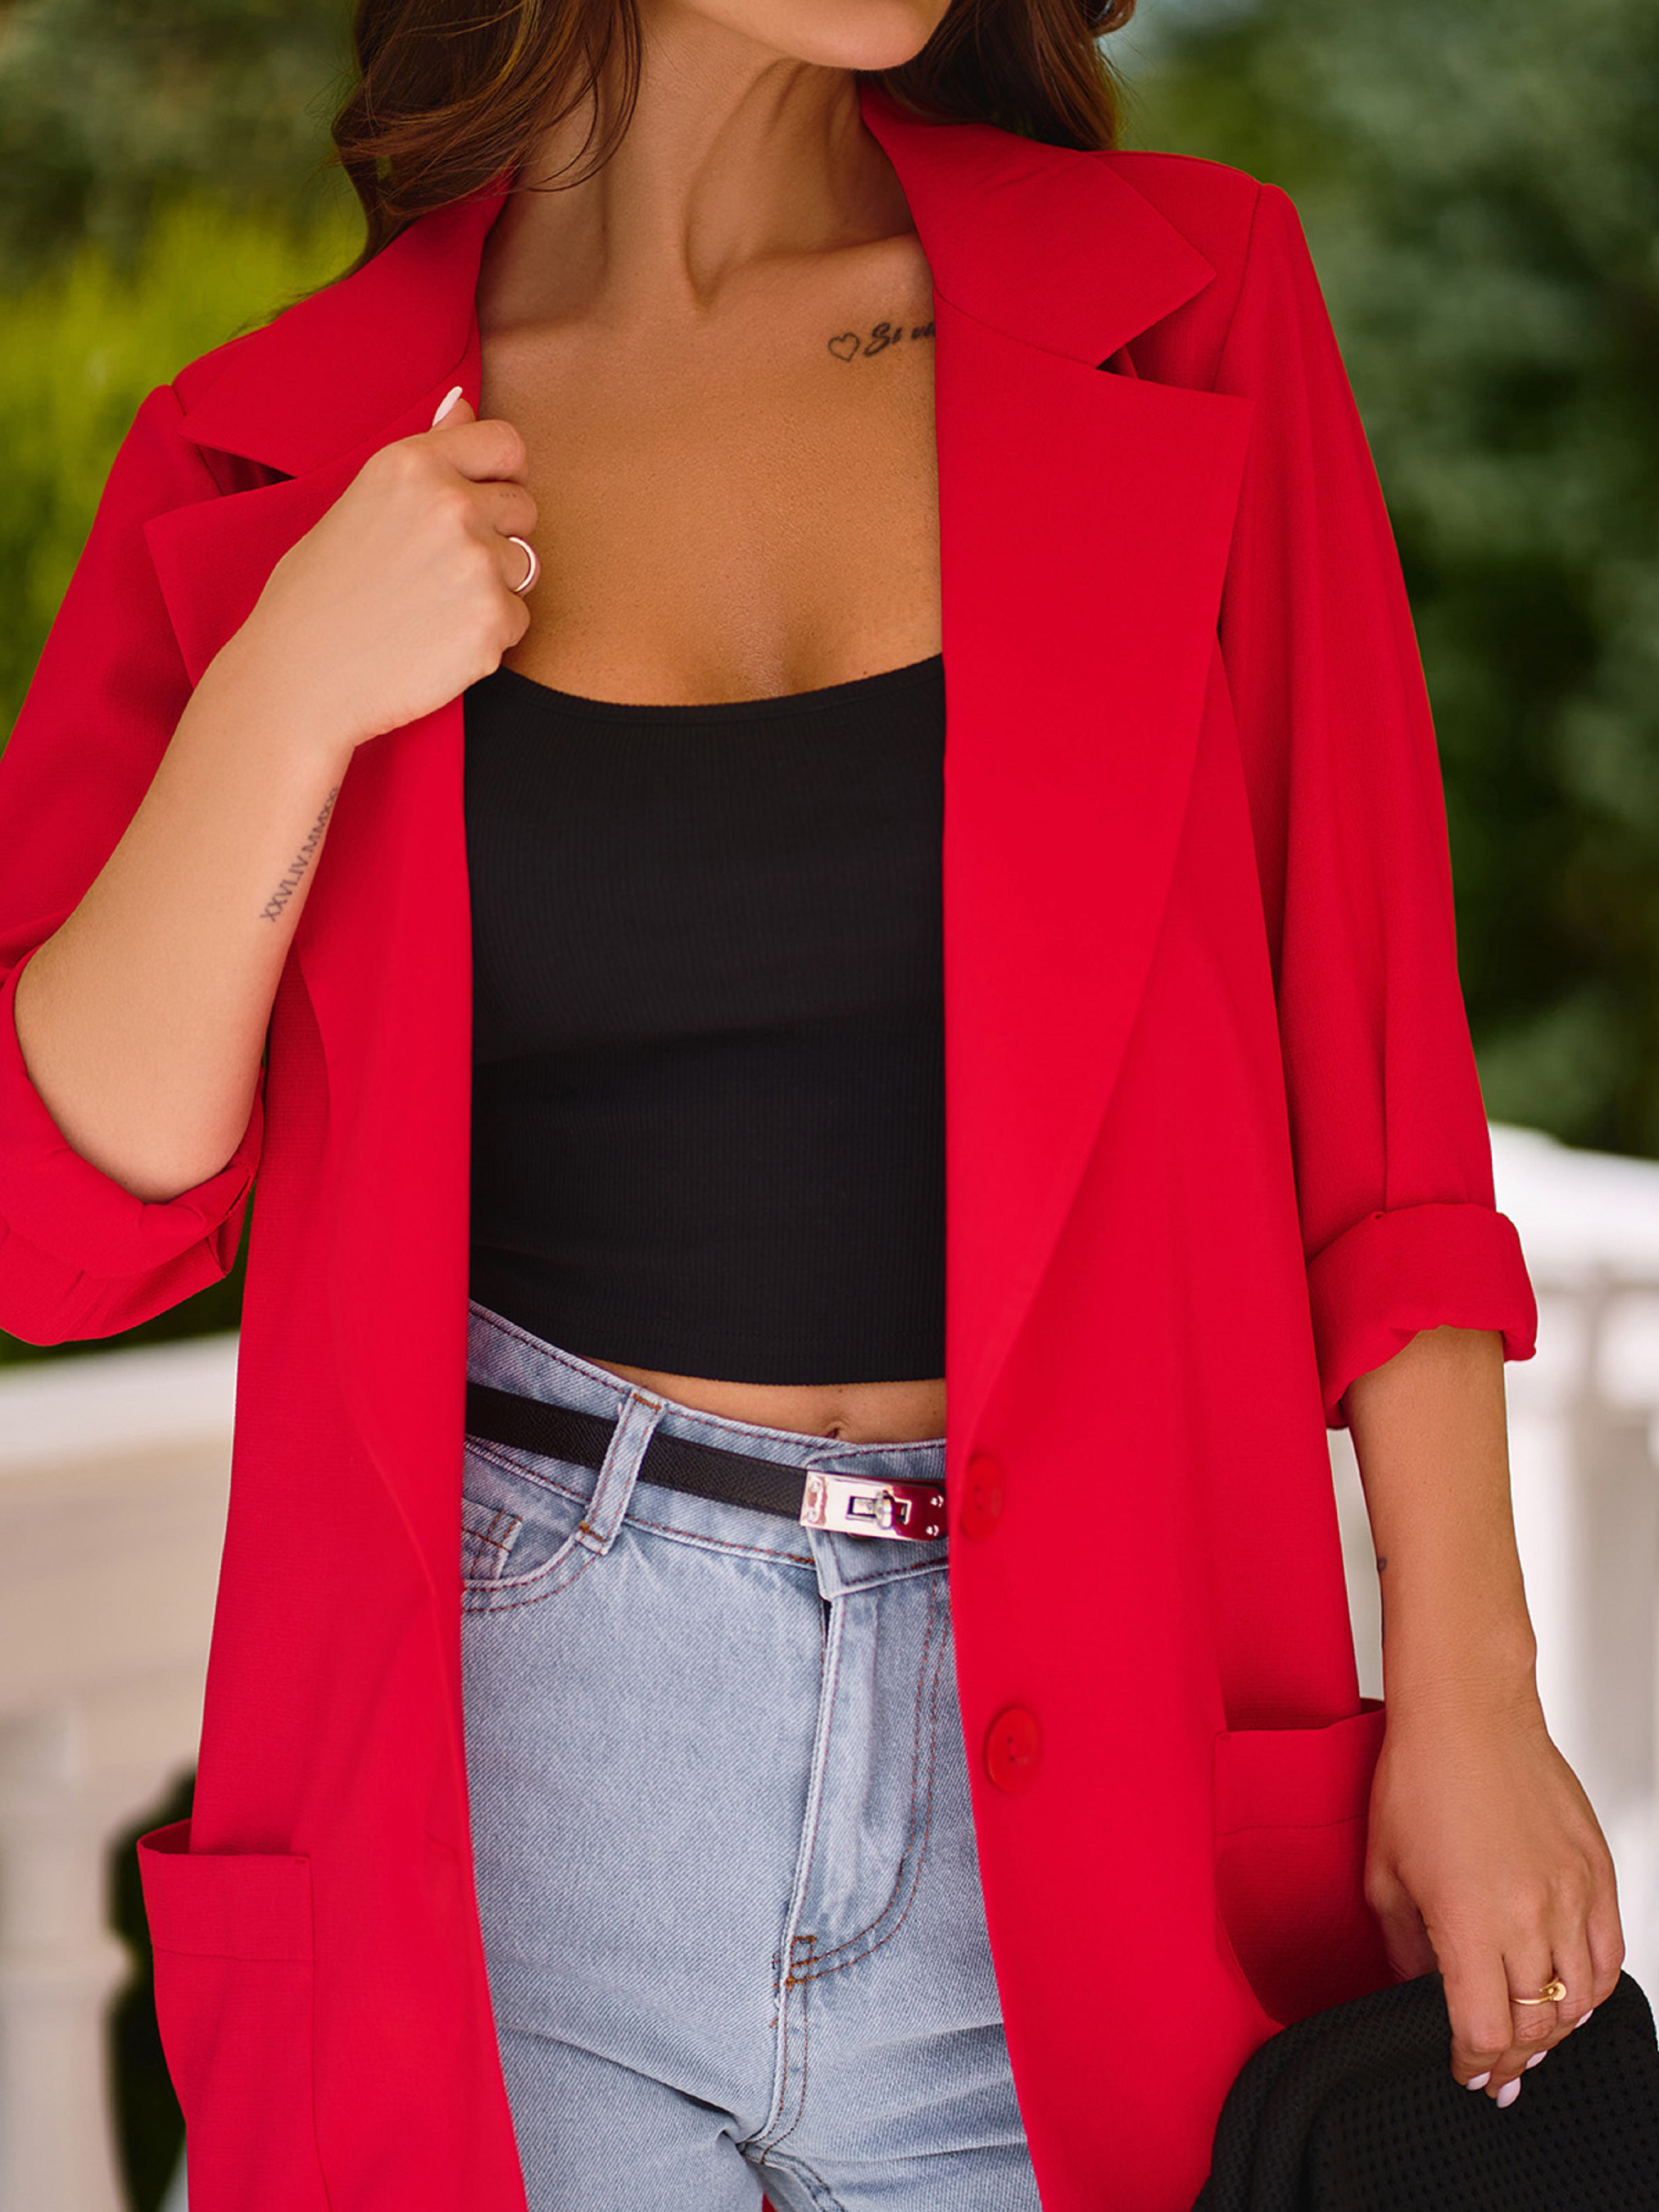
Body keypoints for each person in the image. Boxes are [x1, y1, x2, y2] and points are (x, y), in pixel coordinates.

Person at [0, 2, 1625, 2207]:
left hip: (1097, 1771)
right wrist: (286, 694)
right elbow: (64, 1215)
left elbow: (1376, 1074)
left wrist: (1474, 1686)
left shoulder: (1183, 309)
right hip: (509, 1798)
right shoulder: (270, 452)